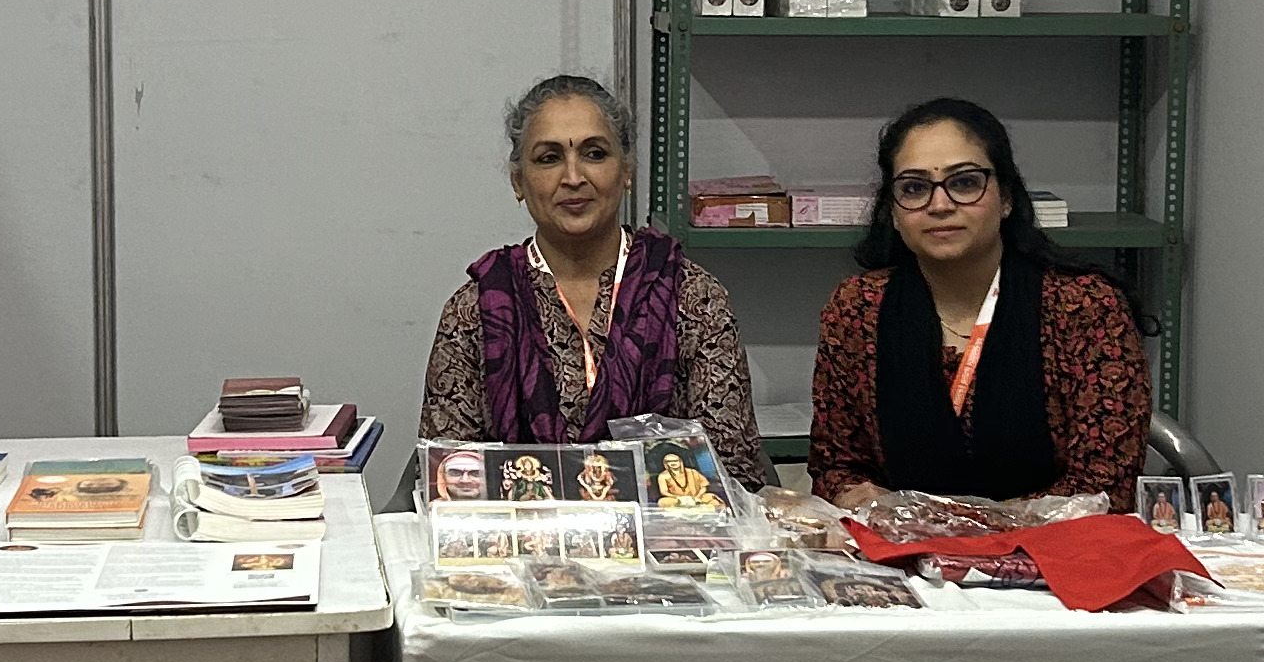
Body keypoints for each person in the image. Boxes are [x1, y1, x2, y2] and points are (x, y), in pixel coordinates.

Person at [802, 96, 1152, 505]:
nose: (940, 205)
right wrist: (869, 504)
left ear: (1006, 198)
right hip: (899, 543)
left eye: (965, 183)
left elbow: (1105, 487)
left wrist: (966, 526)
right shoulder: (857, 309)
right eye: (914, 188)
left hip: (1052, 545)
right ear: (894, 213)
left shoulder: (1084, 307)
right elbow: (835, 468)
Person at [420, 73, 766, 484]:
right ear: (518, 182)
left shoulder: (693, 299)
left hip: (671, 521)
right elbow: (449, 478)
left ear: (626, 171)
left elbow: (733, 473)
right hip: (518, 523)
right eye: (549, 158)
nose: (573, 177)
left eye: (595, 154)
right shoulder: (476, 311)